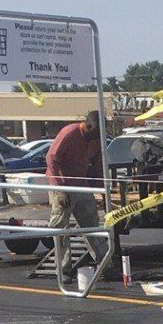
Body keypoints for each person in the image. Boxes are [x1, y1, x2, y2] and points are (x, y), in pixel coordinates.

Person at [45, 110, 104, 279]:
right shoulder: (69, 133)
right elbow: (52, 159)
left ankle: (105, 264)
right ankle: (63, 269)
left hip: (81, 187)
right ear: (88, 125)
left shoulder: (96, 139)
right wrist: (59, 189)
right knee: (61, 228)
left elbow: (98, 165)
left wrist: (101, 190)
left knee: (92, 225)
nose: (97, 137)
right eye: (95, 133)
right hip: (63, 186)